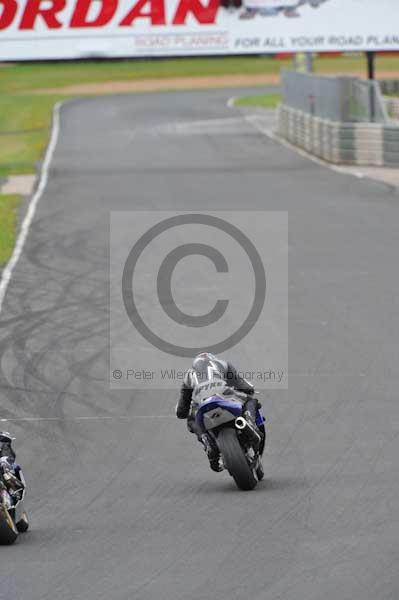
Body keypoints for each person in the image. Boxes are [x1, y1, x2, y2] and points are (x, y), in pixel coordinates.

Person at [176, 353, 263, 471]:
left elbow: (181, 411)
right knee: (251, 401)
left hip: (203, 403)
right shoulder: (222, 364)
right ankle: (249, 421)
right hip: (222, 394)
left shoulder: (188, 376)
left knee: (191, 420)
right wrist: (249, 389)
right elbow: (245, 386)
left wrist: (185, 410)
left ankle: (205, 438)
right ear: (212, 359)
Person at [0, 432, 24, 496]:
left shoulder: (4, 446)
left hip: (5, 462)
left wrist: (4, 462)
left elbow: (9, 455)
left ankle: (13, 488)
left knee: (5, 473)